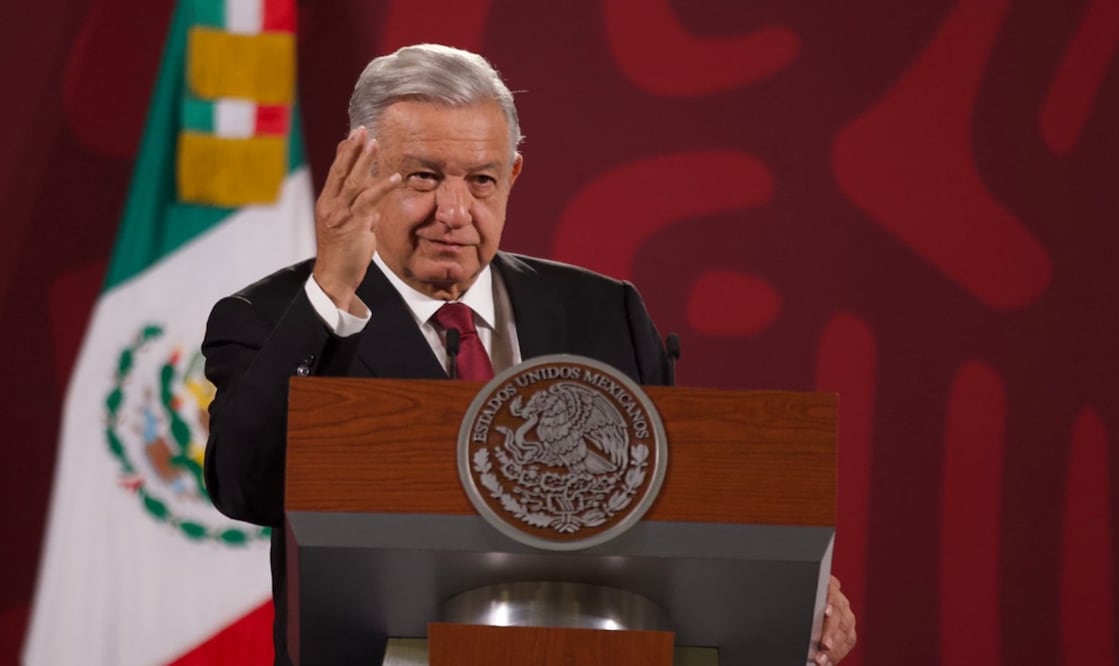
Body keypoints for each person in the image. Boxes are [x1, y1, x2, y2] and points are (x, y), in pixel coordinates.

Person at [202, 43, 856, 666]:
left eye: (481, 181)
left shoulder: (606, 312)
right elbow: (244, 487)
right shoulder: (275, 316)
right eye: (423, 177)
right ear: (361, 170)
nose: (453, 211)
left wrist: (795, 593)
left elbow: (670, 507)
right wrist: (330, 293)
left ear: (512, 175)